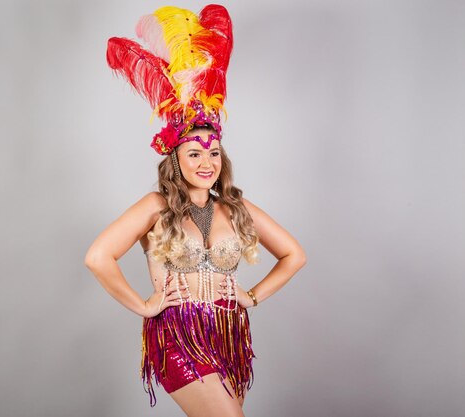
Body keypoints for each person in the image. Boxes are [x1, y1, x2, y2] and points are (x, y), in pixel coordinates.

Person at [84, 5, 307, 417]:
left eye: (213, 152)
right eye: (194, 153)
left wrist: (251, 298)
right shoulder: (155, 207)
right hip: (177, 336)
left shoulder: (236, 208)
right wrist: (144, 305)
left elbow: (295, 254)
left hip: (229, 332)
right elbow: (98, 257)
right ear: (176, 160)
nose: (207, 162)